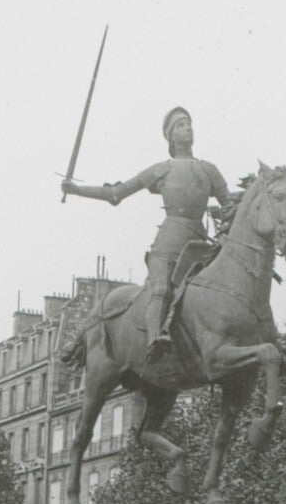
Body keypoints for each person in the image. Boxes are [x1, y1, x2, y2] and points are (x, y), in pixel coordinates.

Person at [61, 106, 230, 357]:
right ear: (171, 136)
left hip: (201, 246)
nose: (188, 128)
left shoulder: (209, 170)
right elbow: (115, 193)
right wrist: (77, 190)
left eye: (189, 123)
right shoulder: (161, 170)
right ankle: (155, 338)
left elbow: (230, 204)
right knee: (160, 287)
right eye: (181, 125)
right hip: (169, 244)